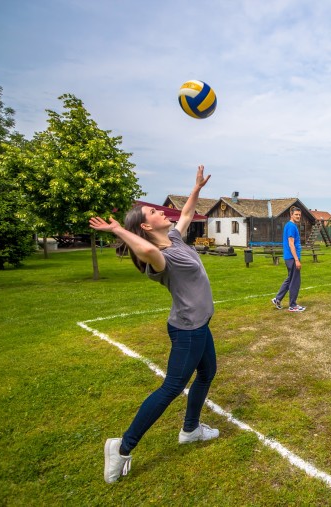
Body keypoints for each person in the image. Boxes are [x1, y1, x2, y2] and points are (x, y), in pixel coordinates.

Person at [90, 165, 219, 484]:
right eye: (153, 211)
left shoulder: (173, 238)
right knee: (172, 387)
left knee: (207, 373)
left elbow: (186, 214)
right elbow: (146, 249)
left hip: (200, 324)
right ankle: (122, 447)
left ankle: (190, 430)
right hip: (189, 330)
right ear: (146, 225)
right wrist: (119, 230)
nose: (163, 211)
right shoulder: (160, 257)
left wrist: (196, 189)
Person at [271, 206, 306, 312]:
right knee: (295, 281)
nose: (298, 216)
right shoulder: (291, 226)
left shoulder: (291, 225)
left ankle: (277, 299)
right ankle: (293, 305)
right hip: (291, 258)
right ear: (291, 215)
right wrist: (296, 260)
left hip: (289, 257)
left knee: (290, 279)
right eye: (296, 214)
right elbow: (291, 244)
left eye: (299, 215)